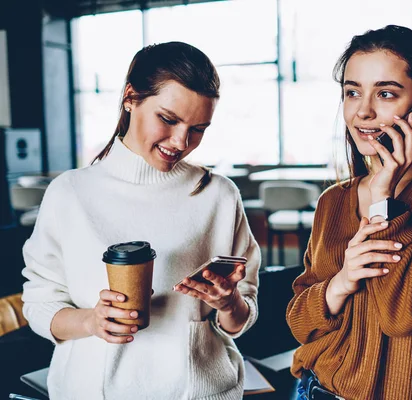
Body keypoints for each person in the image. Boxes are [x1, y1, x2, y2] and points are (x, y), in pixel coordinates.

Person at [21, 42, 260, 400]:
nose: (181, 142)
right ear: (130, 98)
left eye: (198, 128)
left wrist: (229, 304)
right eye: (168, 119)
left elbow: (241, 315)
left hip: (201, 392)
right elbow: (39, 304)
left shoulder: (219, 196)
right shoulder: (69, 193)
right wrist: (90, 321)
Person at [286, 25, 412, 400]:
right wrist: (341, 282)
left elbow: (403, 314)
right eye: (352, 92)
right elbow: (300, 323)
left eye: (385, 93)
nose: (363, 110)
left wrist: (383, 196)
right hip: (312, 389)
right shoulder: (333, 201)